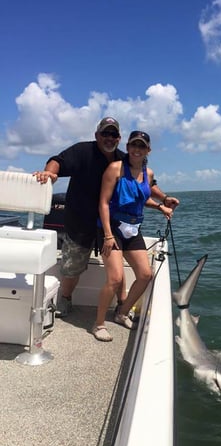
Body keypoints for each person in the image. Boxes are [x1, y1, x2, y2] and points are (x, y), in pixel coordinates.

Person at [34, 118, 179, 318]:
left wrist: (163, 200)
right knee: (73, 267)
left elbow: (144, 185)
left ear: (119, 139)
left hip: (110, 224)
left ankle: (122, 304)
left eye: (113, 135)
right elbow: (57, 161)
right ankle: (66, 298)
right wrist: (49, 174)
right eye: (105, 134)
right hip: (81, 221)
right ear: (97, 135)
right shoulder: (82, 151)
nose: (109, 138)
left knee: (118, 270)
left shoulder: (123, 159)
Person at [92, 130, 173, 341]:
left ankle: (121, 312)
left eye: (142, 146)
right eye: (134, 145)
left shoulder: (149, 173)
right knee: (115, 278)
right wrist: (108, 235)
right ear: (127, 147)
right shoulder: (115, 169)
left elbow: (140, 198)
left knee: (146, 275)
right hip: (112, 228)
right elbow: (103, 202)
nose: (137, 150)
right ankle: (99, 324)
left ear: (148, 150)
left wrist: (161, 207)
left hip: (134, 227)